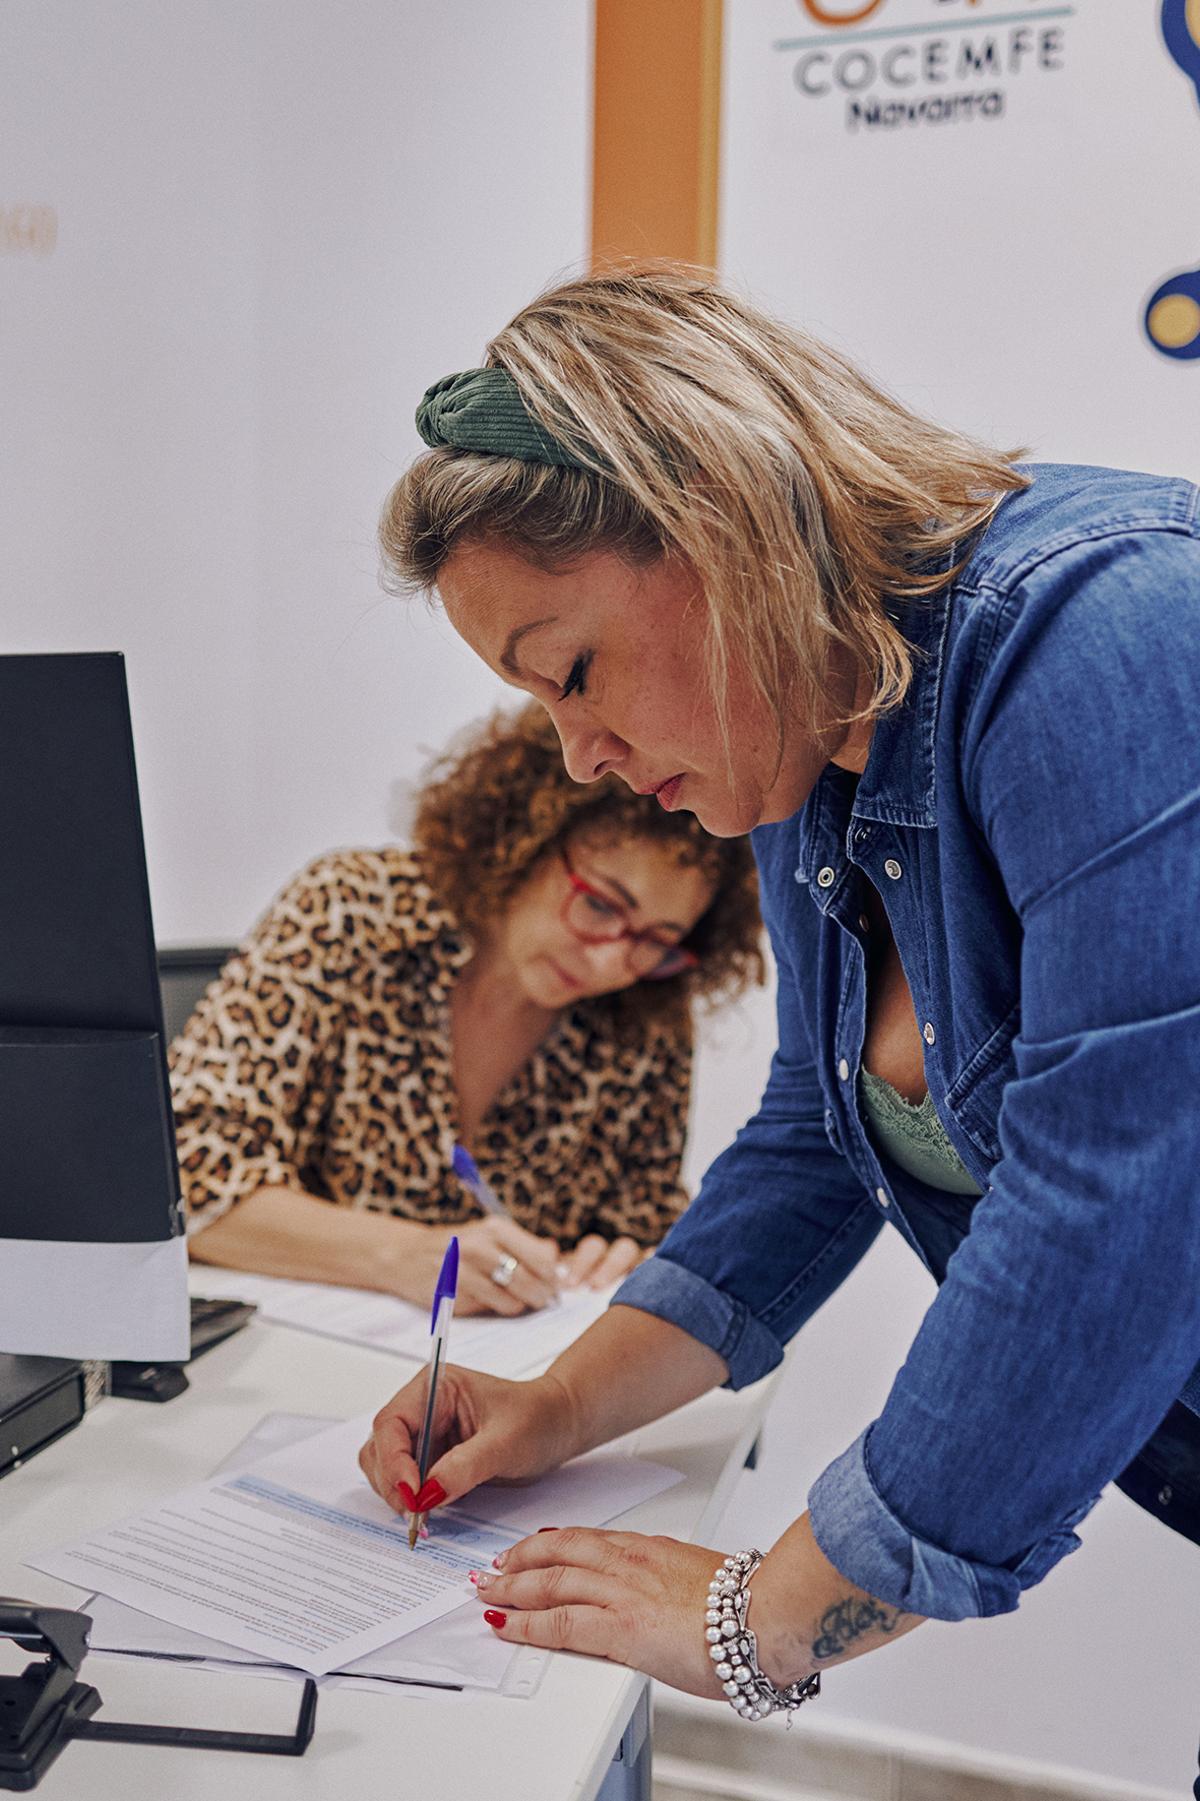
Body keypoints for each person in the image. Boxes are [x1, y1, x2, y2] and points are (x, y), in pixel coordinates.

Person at [360, 263, 1200, 1767]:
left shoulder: (1114, 628)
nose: (578, 755)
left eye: (576, 671)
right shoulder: (806, 738)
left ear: (721, 520)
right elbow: (819, 1137)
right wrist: (553, 1410)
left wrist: (770, 1612)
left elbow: (1125, 1198)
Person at [175, 700, 763, 1315]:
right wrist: (413, 1256)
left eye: (655, 941)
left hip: (499, 1374)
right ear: (522, 841)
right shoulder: (350, 913)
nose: (610, 965)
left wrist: (623, 1259)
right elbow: (183, 1177)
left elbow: (641, 1224)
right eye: (601, 906)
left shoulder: (647, 1013)